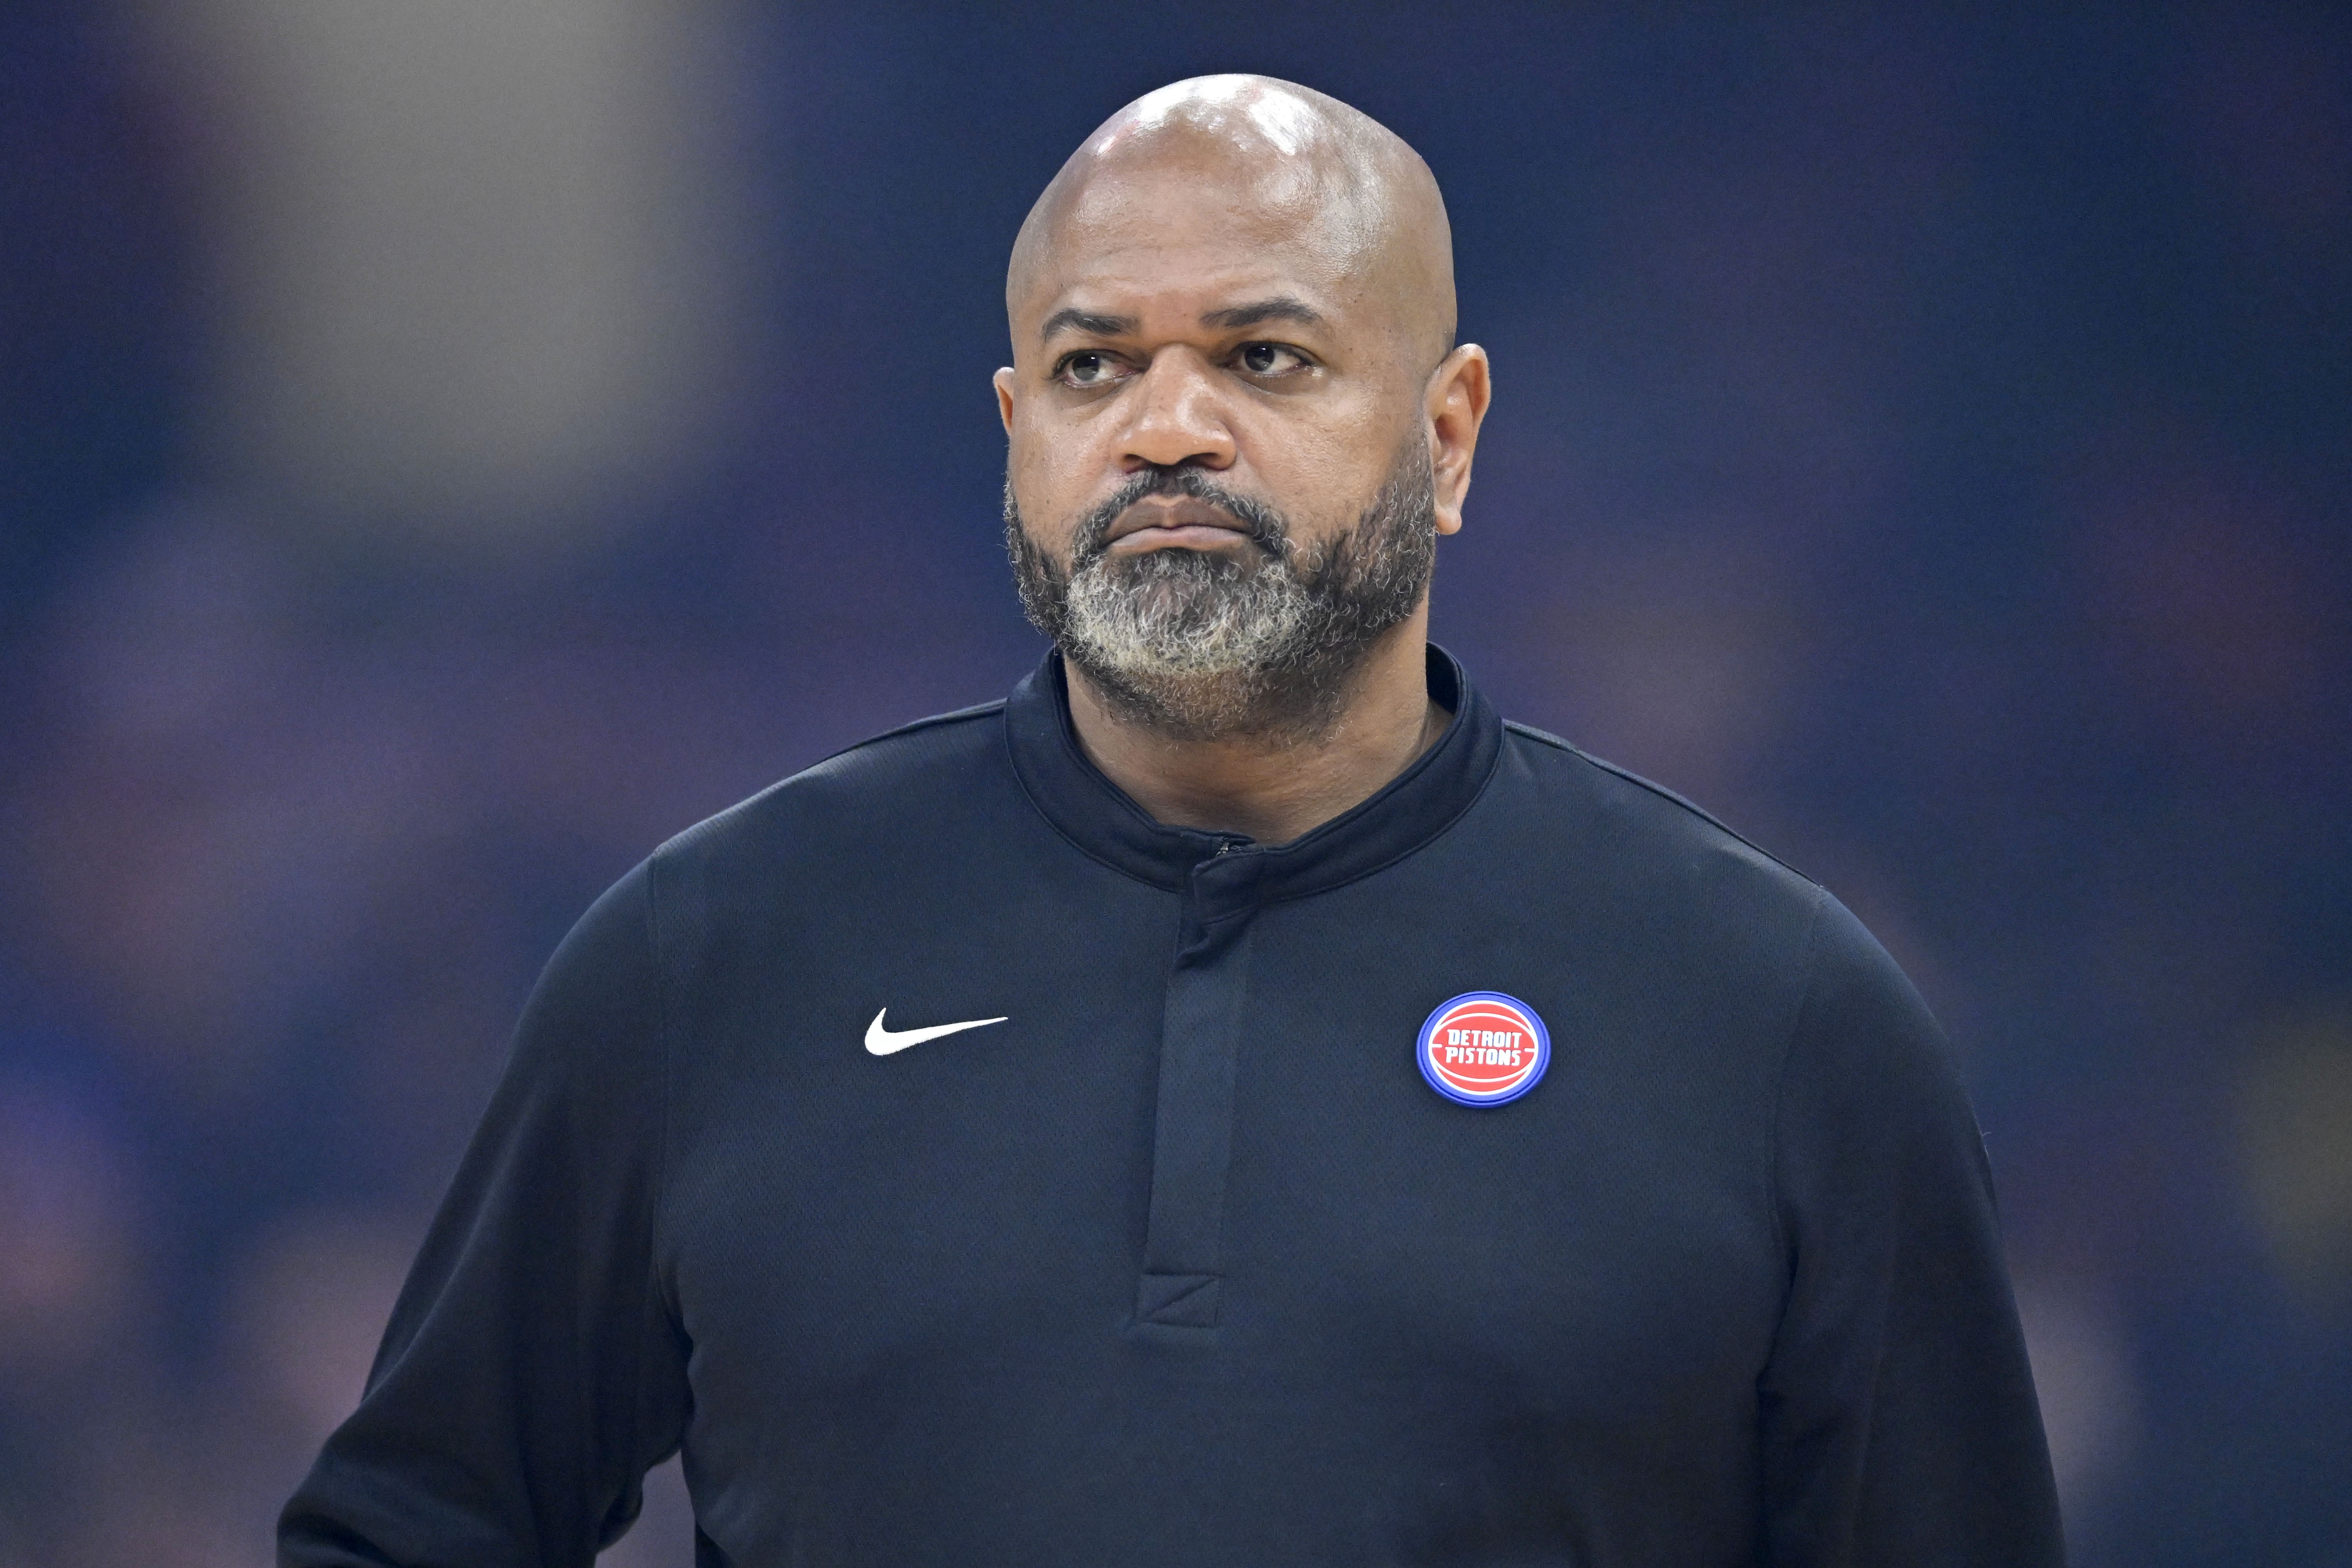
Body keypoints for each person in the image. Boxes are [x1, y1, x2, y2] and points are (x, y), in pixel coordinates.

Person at [281, 75, 2063, 1567]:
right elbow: (413, 1526)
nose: (1165, 429)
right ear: (1014, 431)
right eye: (1092, 367)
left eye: (1265, 356)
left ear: (1448, 435)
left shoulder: (1773, 1017)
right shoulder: (716, 953)